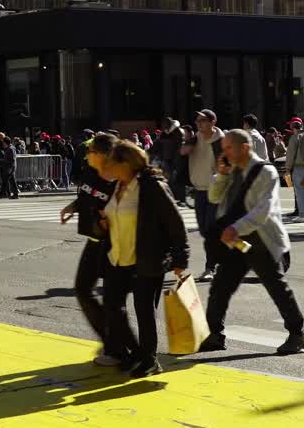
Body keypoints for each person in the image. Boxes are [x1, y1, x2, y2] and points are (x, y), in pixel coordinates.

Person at [200, 129, 304, 355]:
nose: (225, 152)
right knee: (221, 287)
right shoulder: (231, 170)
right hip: (237, 242)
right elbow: (213, 197)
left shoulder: (265, 171)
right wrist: (221, 174)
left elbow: (264, 210)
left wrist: (235, 227)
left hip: (260, 240)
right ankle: (215, 334)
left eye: (229, 147)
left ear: (245, 147)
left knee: (276, 287)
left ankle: (297, 334)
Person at [97, 140, 188, 377]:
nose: (109, 169)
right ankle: (133, 352)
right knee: (112, 308)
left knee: (144, 311)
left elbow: (175, 223)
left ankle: (149, 359)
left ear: (126, 163)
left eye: (113, 164)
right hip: (117, 257)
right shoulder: (119, 185)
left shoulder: (151, 186)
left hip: (146, 258)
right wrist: (105, 223)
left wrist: (181, 258)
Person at [59, 133, 124, 365]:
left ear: (104, 155)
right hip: (94, 238)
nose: (86, 155)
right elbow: (88, 196)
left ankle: (118, 349)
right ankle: (112, 342)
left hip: (113, 242)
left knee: (112, 299)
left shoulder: (119, 178)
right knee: (83, 290)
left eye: (90, 151)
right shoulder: (91, 172)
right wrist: (73, 206)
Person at [183, 109, 224, 282]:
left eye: (202, 120)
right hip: (199, 191)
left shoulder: (221, 141)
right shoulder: (194, 139)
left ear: (212, 122)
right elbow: (180, 155)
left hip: (216, 191)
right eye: (197, 120)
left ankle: (211, 267)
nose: (198, 123)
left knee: (210, 229)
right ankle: (233, 257)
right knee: (205, 230)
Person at [284, 118, 304, 222]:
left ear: (292, 128)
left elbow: (290, 155)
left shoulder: (294, 138)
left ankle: (302, 214)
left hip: (299, 167)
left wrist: (287, 168)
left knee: (299, 192)